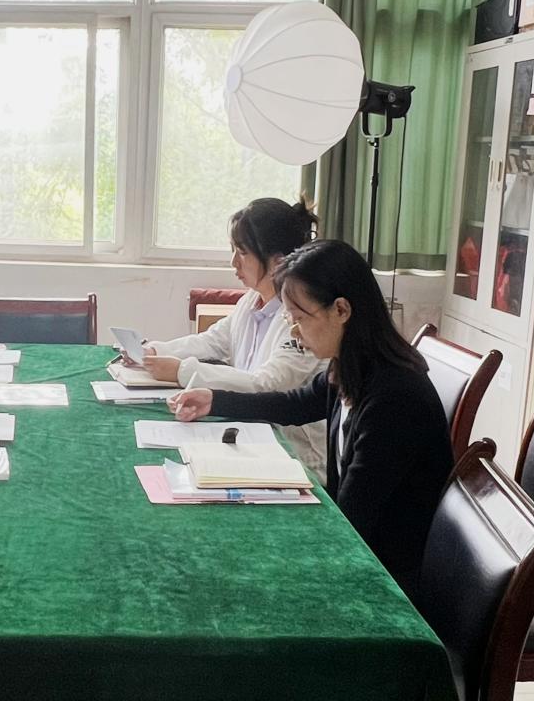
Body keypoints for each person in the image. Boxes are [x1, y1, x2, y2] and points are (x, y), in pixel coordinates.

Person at [168, 239, 452, 598]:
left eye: (300, 318)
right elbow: (294, 404)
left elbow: (353, 518)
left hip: (385, 580)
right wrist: (214, 399)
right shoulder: (351, 366)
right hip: (355, 551)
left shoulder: (394, 398)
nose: (294, 331)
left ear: (341, 310)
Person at [133, 197, 328, 474]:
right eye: (233, 250)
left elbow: (267, 385)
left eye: (243, 252)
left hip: (297, 455)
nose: (234, 262)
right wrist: (155, 351)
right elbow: (213, 341)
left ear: (277, 262)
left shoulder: (301, 319)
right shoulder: (252, 300)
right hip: (252, 434)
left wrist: (182, 371)